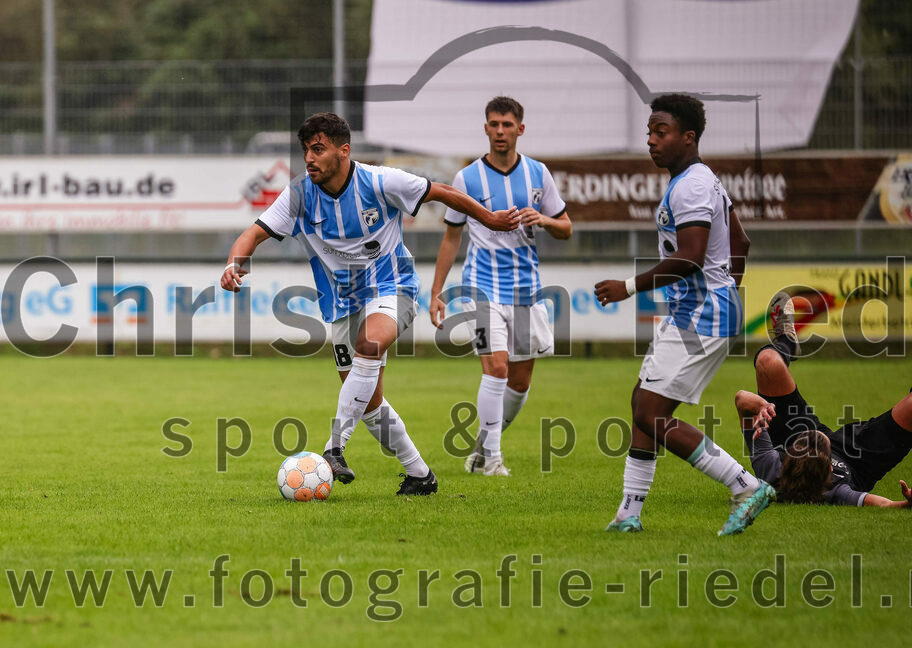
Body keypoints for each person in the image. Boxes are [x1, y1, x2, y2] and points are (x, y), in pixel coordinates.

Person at [220, 112, 521, 495]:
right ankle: (420, 474)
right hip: (341, 304)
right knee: (369, 403)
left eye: (318, 149)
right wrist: (234, 264)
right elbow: (254, 233)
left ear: (343, 151)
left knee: (370, 344)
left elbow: (441, 191)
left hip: (393, 285)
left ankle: (334, 448)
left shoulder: (380, 181)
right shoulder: (299, 194)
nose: (309, 158)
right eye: (305, 151)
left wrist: (489, 219)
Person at [594, 93, 774, 535]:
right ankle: (629, 514)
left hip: (701, 313)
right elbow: (741, 244)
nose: (651, 141)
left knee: (650, 411)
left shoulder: (693, 184)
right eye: (649, 132)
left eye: (661, 132)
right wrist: (729, 289)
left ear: (688, 137)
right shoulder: (702, 179)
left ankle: (745, 486)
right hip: (705, 308)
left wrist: (628, 287)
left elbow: (692, 257)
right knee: (643, 404)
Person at [733, 280, 912, 508]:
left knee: (768, 361)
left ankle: (786, 341)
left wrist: (761, 405)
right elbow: (883, 504)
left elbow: (741, 400)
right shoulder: (837, 492)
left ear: (786, 458)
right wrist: (907, 504)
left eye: (801, 444)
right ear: (828, 468)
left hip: (800, 442)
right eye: (819, 444)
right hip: (859, 462)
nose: (816, 434)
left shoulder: (770, 467)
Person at [429, 96, 572, 477]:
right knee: (496, 368)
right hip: (482, 287)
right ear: (486, 128)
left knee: (520, 383)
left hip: (526, 289)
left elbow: (566, 228)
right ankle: (492, 459)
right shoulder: (468, 178)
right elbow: (451, 237)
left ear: (520, 129)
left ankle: (480, 450)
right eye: (494, 124)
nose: (500, 131)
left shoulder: (538, 174)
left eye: (507, 125)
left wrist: (542, 219)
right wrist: (436, 291)